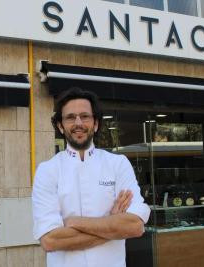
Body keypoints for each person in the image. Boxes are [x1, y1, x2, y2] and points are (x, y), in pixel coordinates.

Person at [32, 87, 151, 267]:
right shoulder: (47, 170)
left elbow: (135, 226)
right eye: (70, 117)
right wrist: (113, 224)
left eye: (85, 116)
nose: (78, 123)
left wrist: (74, 222)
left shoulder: (118, 164)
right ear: (60, 126)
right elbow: (50, 241)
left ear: (95, 124)